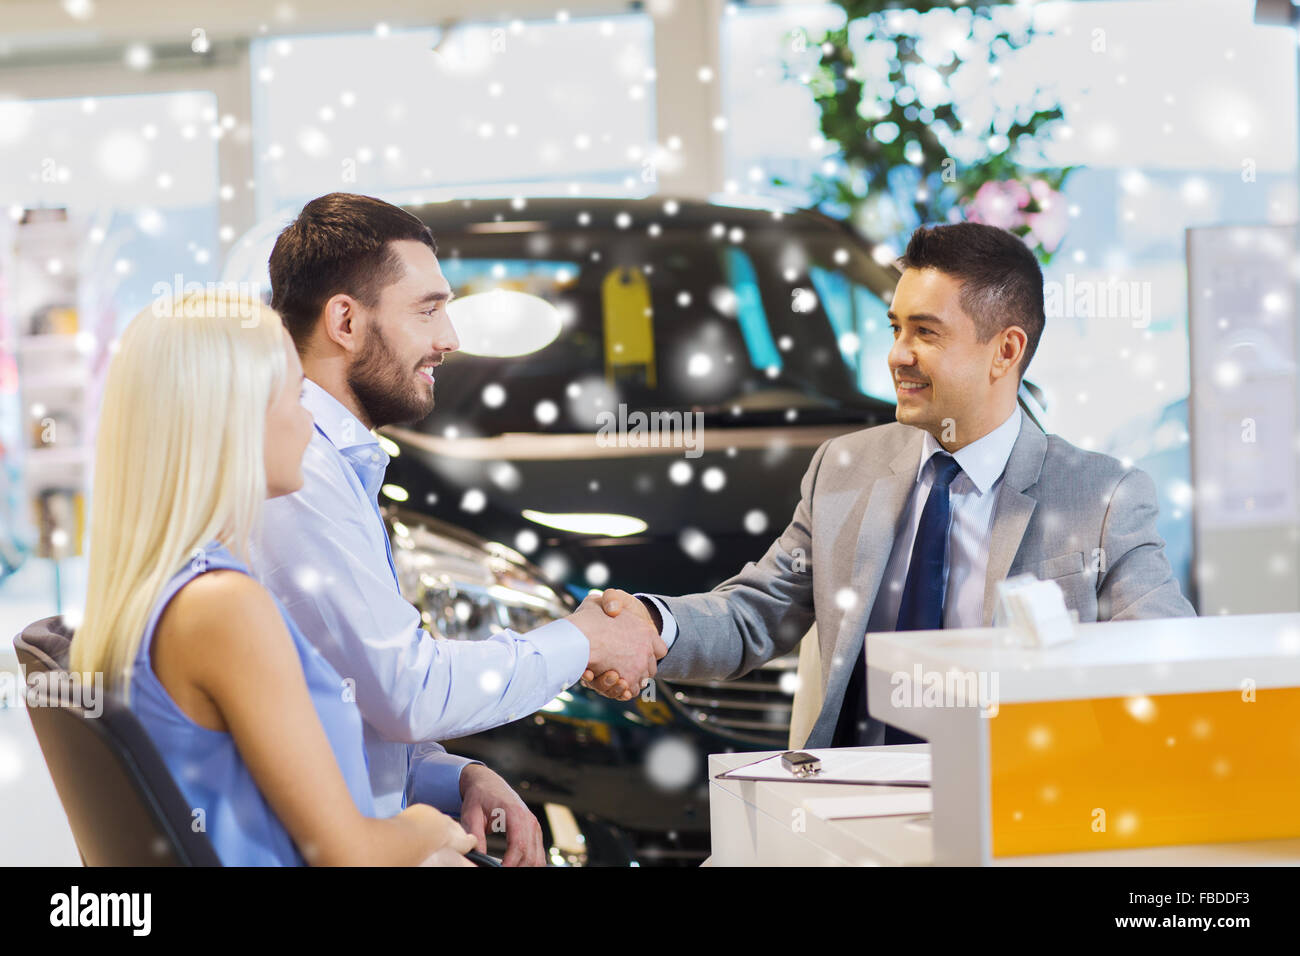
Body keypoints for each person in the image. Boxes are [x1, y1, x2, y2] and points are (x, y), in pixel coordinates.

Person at [587, 221, 1196, 748]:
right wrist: (650, 622)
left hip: (1009, 805)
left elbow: (1168, 660)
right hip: (844, 800)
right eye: (896, 328)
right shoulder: (845, 468)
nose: (897, 355)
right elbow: (757, 611)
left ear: (1005, 351)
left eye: (926, 333)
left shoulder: (1103, 496)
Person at [251, 192, 665, 865]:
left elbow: (353, 710)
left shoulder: (335, 460)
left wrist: (451, 776)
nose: (450, 338)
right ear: (346, 321)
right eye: (428, 309)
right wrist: (582, 639)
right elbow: (405, 691)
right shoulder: (296, 476)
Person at [70, 290, 476, 865]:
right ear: (231, 421)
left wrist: (448, 778)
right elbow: (348, 853)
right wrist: (428, 830)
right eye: (293, 395)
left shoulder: (178, 589)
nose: (308, 419)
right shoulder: (222, 606)